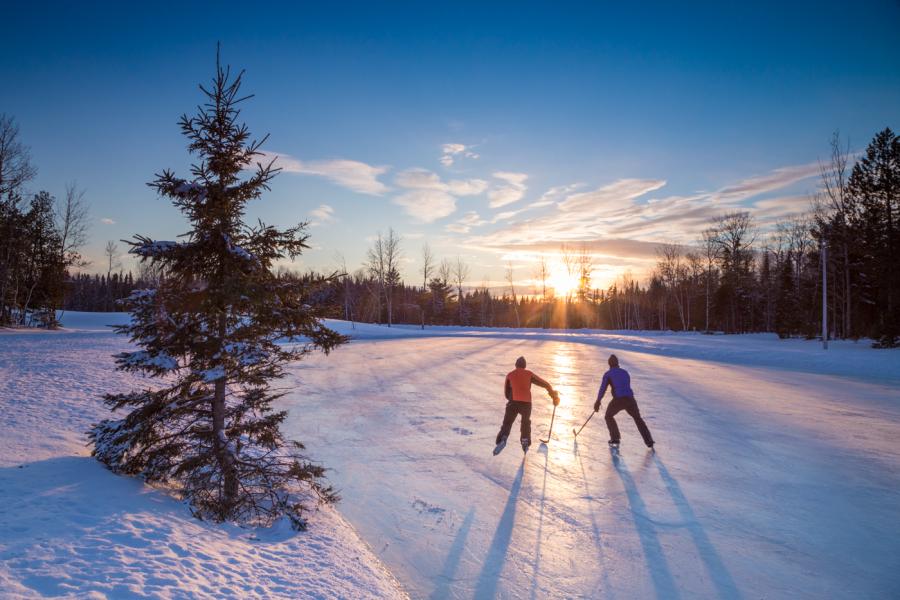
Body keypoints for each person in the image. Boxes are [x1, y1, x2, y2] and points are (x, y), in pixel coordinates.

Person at [494, 356, 559, 454]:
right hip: (526, 404)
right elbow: (545, 384)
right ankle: (525, 440)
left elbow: (506, 393)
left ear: (516, 365)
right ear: (524, 366)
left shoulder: (510, 375)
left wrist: (512, 399)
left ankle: (503, 437)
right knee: (525, 422)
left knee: (507, 422)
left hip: (513, 402)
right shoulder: (529, 374)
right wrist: (553, 395)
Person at [594, 354, 655, 449]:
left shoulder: (608, 374)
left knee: (608, 416)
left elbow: (603, 389)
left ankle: (615, 439)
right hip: (630, 399)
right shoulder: (625, 372)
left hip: (618, 400)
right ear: (617, 363)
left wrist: (598, 401)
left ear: (609, 364)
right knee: (638, 418)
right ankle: (649, 441)